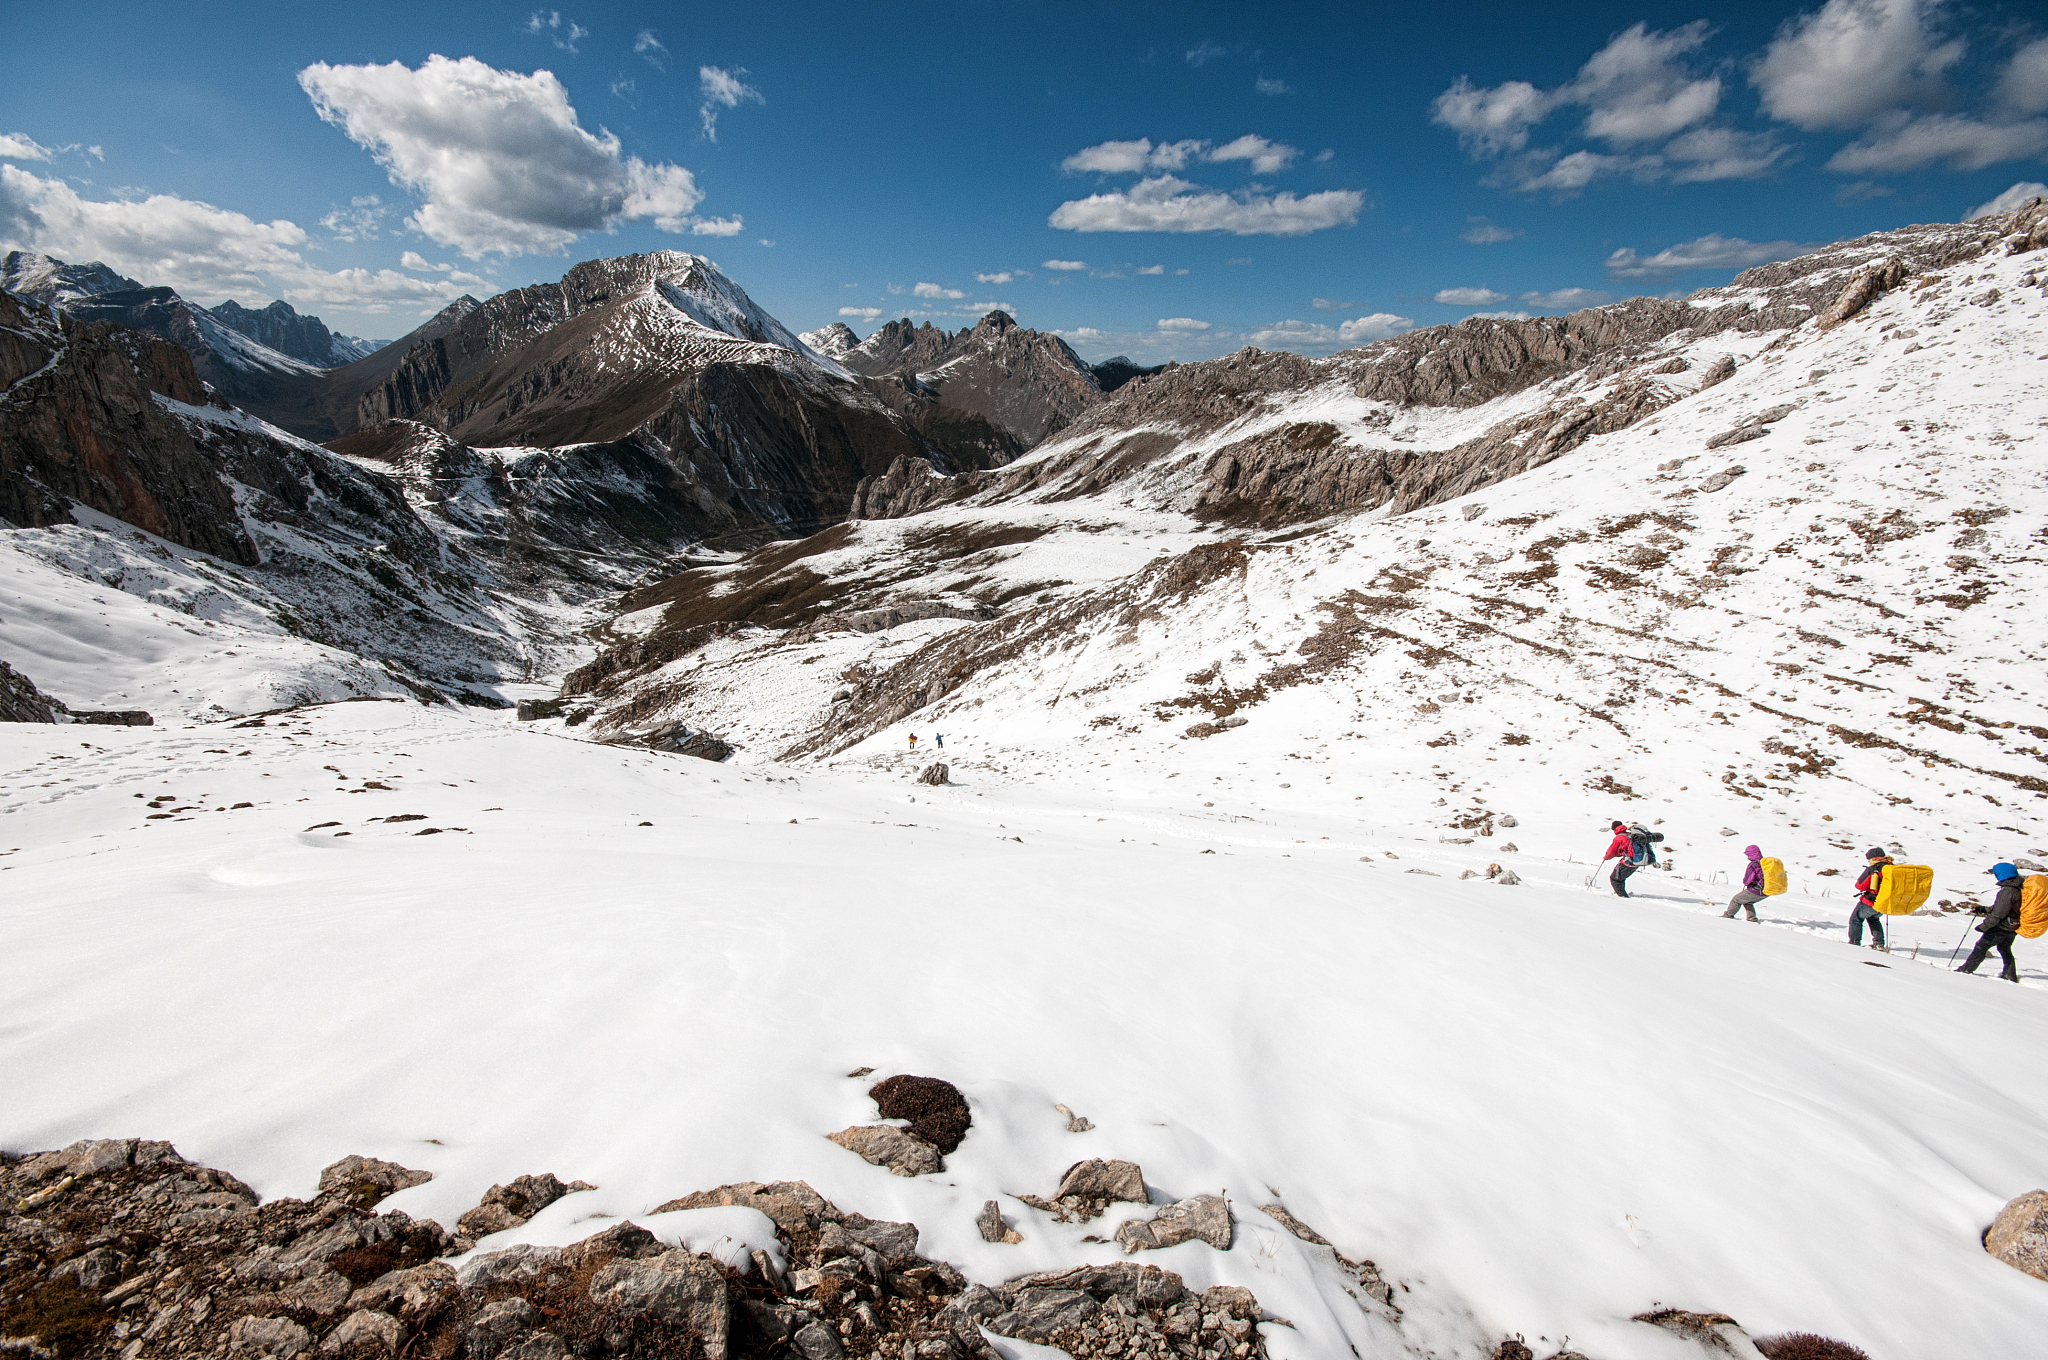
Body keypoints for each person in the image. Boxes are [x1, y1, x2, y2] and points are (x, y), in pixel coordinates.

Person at [1958, 862, 2023, 982]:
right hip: (2013, 926)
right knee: (2004, 948)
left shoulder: (2007, 891)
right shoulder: (2018, 888)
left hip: (2002, 926)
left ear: (2002, 874)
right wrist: (1984, 909)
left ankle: (1966, 969)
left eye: (1996, 873)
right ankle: (2010, 975)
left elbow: (1998, 914)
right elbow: (2003, 908)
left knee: (1981, 946)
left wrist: (1984, 926)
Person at [1850, 847, 1891, 951]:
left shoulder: (1874, 869)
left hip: (1871, 901)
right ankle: (1879, 943)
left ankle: (1854, 942)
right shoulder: (1891, 868)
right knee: (1874, 919)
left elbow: (1859, 885)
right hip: (1885, 903)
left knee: (1856, 919)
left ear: (1873, 858)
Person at [1723, 844, 1765, 921]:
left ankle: (1728, 915)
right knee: (1747, 901)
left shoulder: (1753, 865)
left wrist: (1745, 882)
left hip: (1756, 889)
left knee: (1736, 899)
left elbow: (1748, 880)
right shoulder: (1765, 864)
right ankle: (1751, 918)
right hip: (1767, 890)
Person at [1602, 820, 1637, 898]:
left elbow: (1611, 852)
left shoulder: (1619, 838)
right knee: (1620, 878)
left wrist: (1606, 857)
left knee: (1615, 879)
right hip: (1637, 861)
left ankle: (1622, 897)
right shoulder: (1629, 834)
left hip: (1629, 862)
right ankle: (1621, 893)